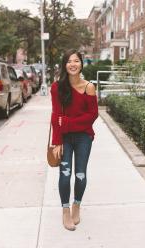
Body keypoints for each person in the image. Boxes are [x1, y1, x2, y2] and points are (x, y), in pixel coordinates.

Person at [50, 49, 98, 231]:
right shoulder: (57, 87)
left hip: (84, 137)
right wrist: (57, 142)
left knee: (80, 174)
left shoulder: (89, 87)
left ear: (81, 64)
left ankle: (76, 205)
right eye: (69, 61)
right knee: (65, 173)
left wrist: (68, 122)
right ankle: (65, 210)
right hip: (64, 138)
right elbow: (56, 116)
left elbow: (93, 115)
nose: (72, 64)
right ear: (64, 65)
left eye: (76, 60)